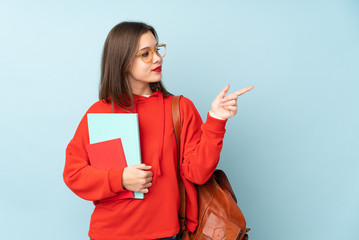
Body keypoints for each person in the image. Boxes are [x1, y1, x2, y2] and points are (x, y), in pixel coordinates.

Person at [63, 21, 253, 240]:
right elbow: (74, 174)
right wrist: (121, 179)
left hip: (165, 234)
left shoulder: (180, 108)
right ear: (123, 62)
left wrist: (216, 120)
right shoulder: (100, 112)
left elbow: (198, 174)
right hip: (108, 234)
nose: (157, 58)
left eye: (157, 49)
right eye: (145, 54)